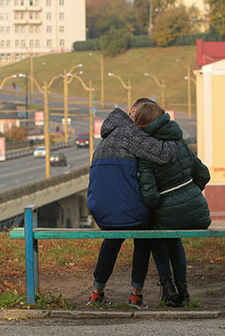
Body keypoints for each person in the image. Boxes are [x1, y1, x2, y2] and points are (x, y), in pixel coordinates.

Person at [86, 107, 178, 308]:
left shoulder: (107, 137)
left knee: (112, 238)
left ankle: (96, 292)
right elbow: (165, 155)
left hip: (100, 212)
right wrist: (171, 135)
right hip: (129, 213)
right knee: (143, 235)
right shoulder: (130, 134)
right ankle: (136, 295)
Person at [133, 98, 210, 307]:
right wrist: (191, 193)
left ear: (141, 124)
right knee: (174, 239)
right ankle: (183, 290)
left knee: (157, 234)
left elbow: (149, 196)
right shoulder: (180, 141)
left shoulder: (147, 150)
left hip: (167, 216)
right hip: (199, 214)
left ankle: (168, 288)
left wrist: (163, 202)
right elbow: (203, 174)